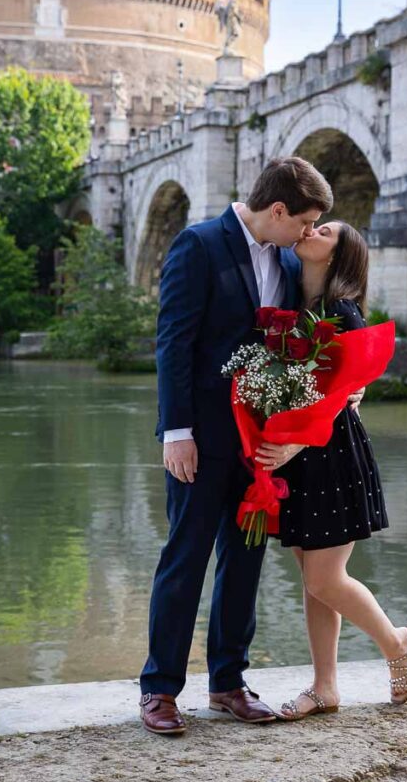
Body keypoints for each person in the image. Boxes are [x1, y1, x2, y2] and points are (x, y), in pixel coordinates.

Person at [139, 158, 333, 735]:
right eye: (303, 222)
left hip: (261, 445)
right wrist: (177, 433)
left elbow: (299, 341)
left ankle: (228, 682)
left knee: (244, 563)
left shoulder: (290, 259)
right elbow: (173, 343)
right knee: (186, 559)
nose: (307, 234)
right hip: (199, 441)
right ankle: (159, 689)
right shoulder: (198, 245)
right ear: (277, 211)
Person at [256, 221, 407, 719]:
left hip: (329, 454)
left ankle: (396, 644)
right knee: (311, 575)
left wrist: (293, 445)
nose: (310, 230)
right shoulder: (295, 303)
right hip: (302, 454)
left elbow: (336, 393)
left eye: (323, 230)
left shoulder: (340, 311)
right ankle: (325, 687)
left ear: (337, 254)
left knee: (325, 579)